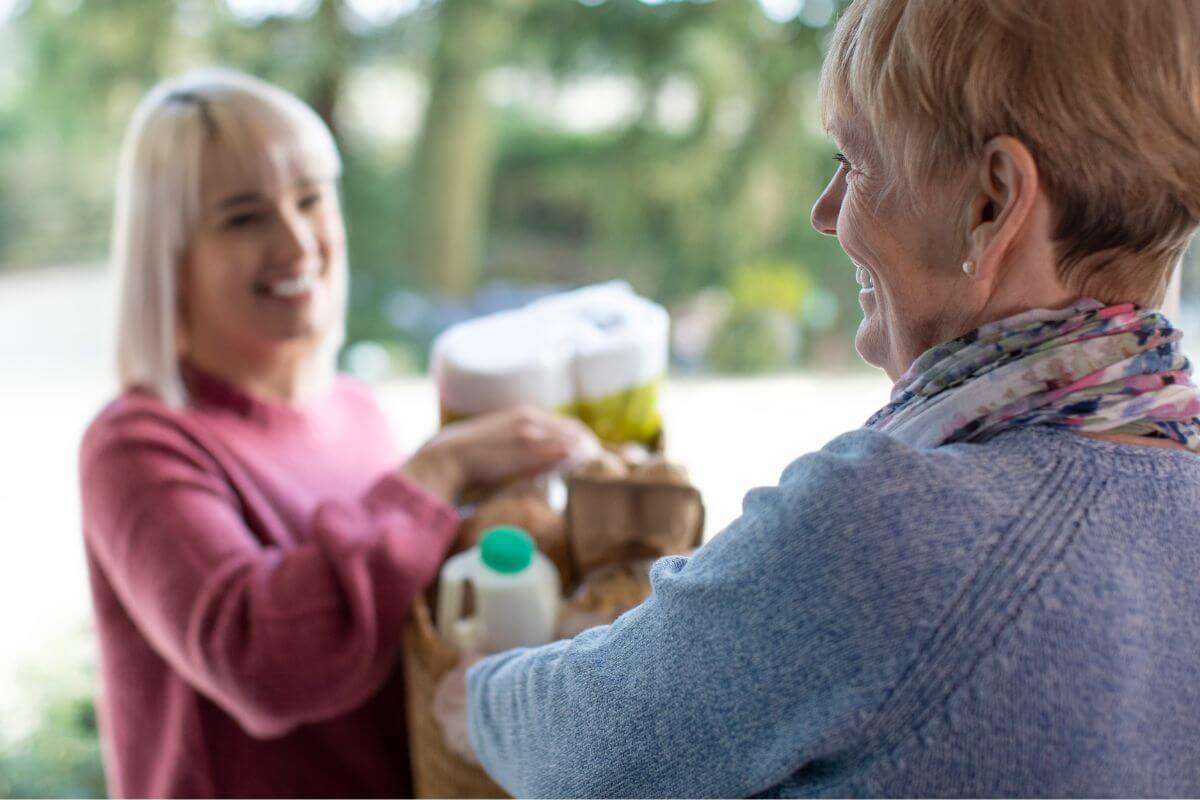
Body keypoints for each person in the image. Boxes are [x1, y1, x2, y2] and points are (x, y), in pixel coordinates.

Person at [465, 0, 1200, 796]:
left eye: (856, 163)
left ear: (991, 204)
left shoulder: (894, 525)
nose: (825, 213)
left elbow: (577, 749)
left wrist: (469, 691)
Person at [78, 69, 595, 798]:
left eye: (310, 197)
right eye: (242, 216)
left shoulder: (354, 409)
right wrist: (436, 476)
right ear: (170, 254)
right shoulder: (136, 445)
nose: (296, 240)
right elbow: (264, 665)